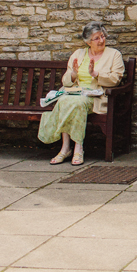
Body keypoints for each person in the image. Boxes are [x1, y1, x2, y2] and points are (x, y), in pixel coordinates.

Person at [39, 21, 125, 165]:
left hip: (97, 97)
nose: (101, 40)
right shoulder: (78, 54)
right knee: (66, 101)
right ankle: (66, 147)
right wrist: (73, 74)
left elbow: (115, 80)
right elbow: (66, 82)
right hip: (75, 94)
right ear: (88, 42)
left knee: (76, 103)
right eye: (96, 38)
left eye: (102, 36)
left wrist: (96, 74)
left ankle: (78, 148)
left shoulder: (114, 55)